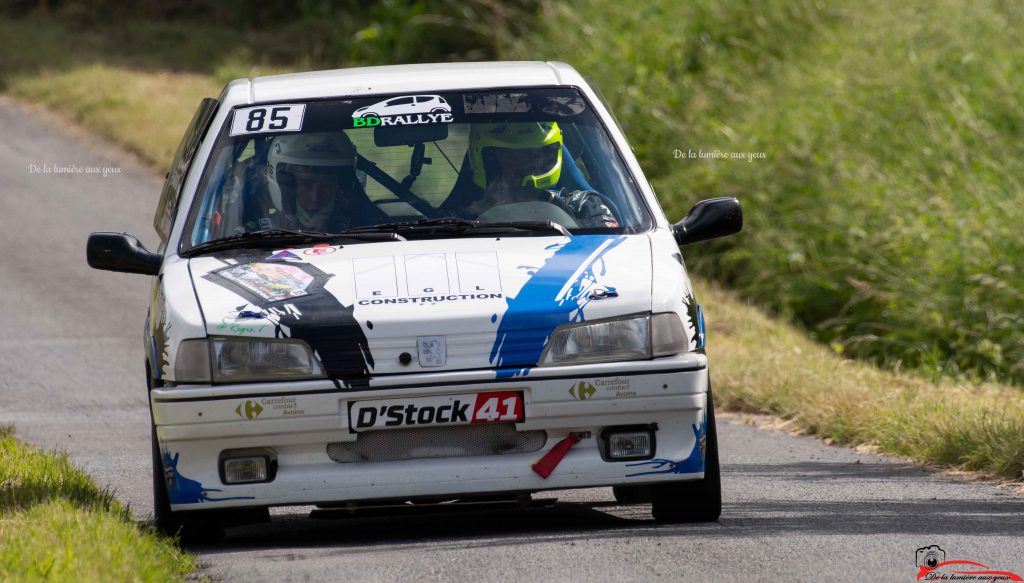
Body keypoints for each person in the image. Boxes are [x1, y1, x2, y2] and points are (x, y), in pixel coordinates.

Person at [464, 121, 620, 228]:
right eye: (514, 156)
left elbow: (610, 248)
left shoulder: (583, 205)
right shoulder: (461, 218)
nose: (527, 164)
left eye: (534, 155)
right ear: (491, 161)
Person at [262, 132, 387, 232]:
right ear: (287, 185)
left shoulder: (369, 230)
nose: (315, 198)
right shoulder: (256, 234)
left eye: (327, 184)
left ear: (340, 187)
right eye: (306, 184)